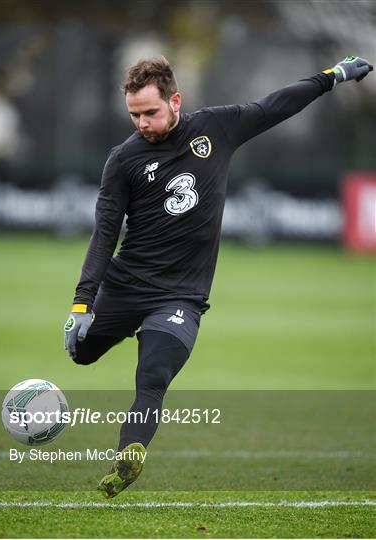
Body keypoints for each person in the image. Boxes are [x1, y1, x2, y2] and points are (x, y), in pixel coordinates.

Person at [64, 55, 373, 498]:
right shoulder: (123, 160)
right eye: (134, 115)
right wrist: (82, 303)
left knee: (153, 375)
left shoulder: (216, 128)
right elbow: (104, 234)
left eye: (150, 113)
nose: (142, 124)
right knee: (82, 354)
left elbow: (275, 106)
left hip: (180, 297)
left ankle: (126, 458)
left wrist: (331, 77)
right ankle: (103, 335)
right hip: (126, 285)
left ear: (175, 100)